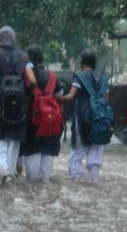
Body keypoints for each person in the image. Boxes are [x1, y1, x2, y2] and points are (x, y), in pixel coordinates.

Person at [57, 49, 108, 182]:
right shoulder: (103, 79)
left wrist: (56, 98)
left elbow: (70, 97)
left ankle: (76, 182)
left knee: (77, 154)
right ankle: (93, 182)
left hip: (83, 119)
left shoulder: (80, 77)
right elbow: (106, 101)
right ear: (94, 64)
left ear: (82, 63)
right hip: (101, 121)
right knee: (96, 155)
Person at [0, 26, 39, 187]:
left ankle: (4, 171)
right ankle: (10, 175)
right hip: (19, 104)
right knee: (14, 139)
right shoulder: (24, 56)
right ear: (14, 39)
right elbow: (33, 81)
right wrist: (26, 93)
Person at [19, 45, 64, 182]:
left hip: (33, 128)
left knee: (31, 182)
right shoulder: (53, 76)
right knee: (45, 181)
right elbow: (60, 99)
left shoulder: (26, 76)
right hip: (51, 128)